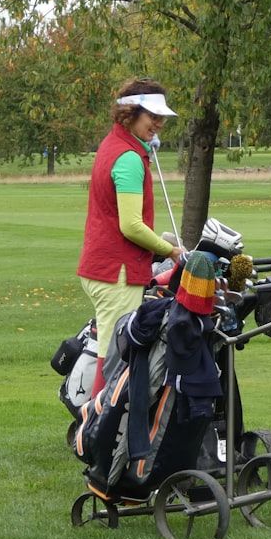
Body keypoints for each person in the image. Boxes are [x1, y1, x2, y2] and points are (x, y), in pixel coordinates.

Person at [78, 78, 184, 396]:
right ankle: (93, 434)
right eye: (152, 116)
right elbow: (131, 226)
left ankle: (97, 428)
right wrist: (171, 250)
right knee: (113, 354)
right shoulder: (127, 158)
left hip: (106, 265)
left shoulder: (118, 145)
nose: (159, 123)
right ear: (131, 113)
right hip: (116, 271)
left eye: (161, 117)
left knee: (111, 349)